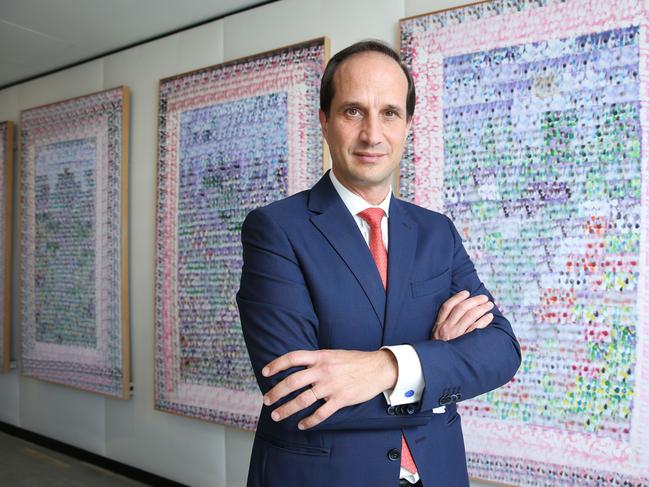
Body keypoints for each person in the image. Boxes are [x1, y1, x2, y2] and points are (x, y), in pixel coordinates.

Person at [237, 40, 521, 487]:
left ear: (408, 124)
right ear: (324, 121)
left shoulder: (436, 233)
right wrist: (440, 365)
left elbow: (501, 351)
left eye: (389, 112)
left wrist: (387, 367)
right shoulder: (275, 230)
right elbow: (300, 395)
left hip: (437, 472)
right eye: (353, 111)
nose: (372, 134)